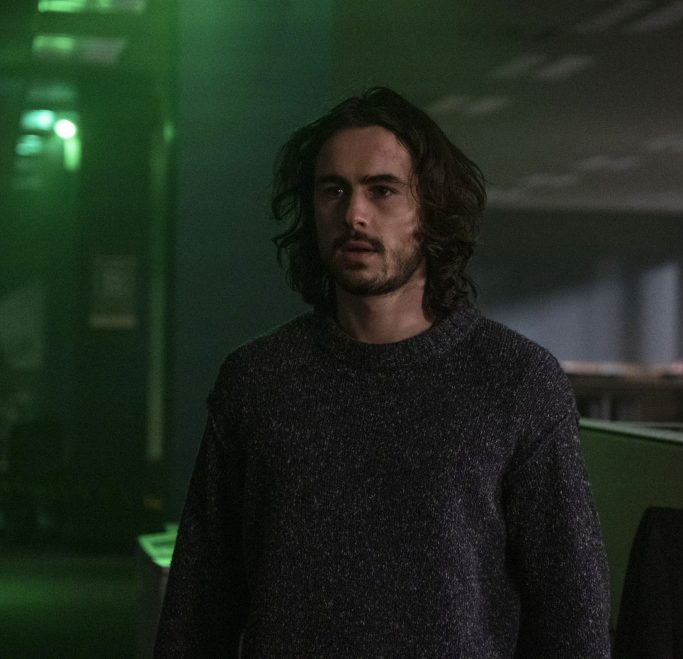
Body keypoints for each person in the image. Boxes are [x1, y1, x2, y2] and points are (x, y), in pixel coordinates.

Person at [154, 87, 610, 657]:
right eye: (333, 190)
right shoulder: (257, 381)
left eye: (383, 190)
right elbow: (199, 605)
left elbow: (572, 614)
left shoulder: (516, 380)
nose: (354, 215)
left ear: (431, 210)